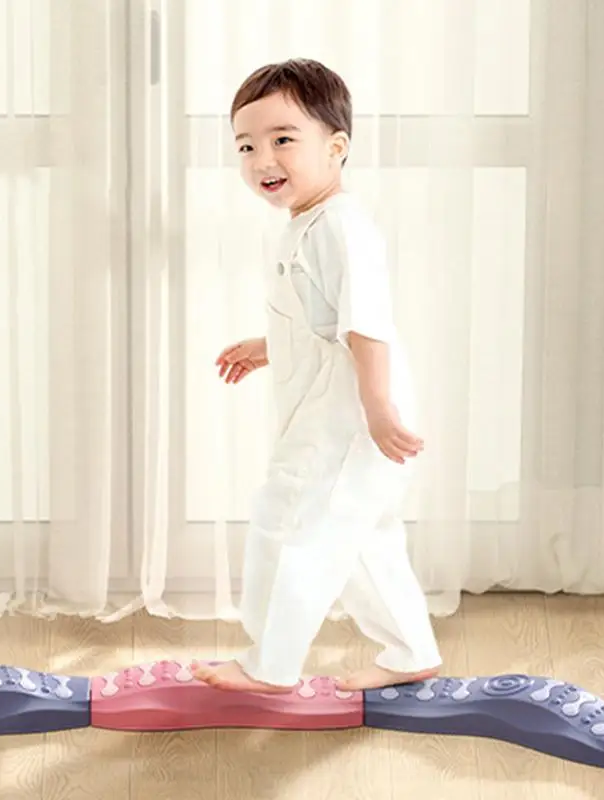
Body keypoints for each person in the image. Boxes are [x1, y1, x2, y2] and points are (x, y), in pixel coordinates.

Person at [191, 59, 442, 693]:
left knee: (292, 526)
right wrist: (269, 346)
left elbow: (366, 322)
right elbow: (324, 320)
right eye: (246, 146)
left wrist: (377, 407)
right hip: (339, 406)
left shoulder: (339, 227)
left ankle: (270, 665)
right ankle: (411, 650)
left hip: (349, 415)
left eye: (283, 139)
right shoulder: (309, 222)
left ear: (336, 147)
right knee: (361, 535)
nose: (262, 159)